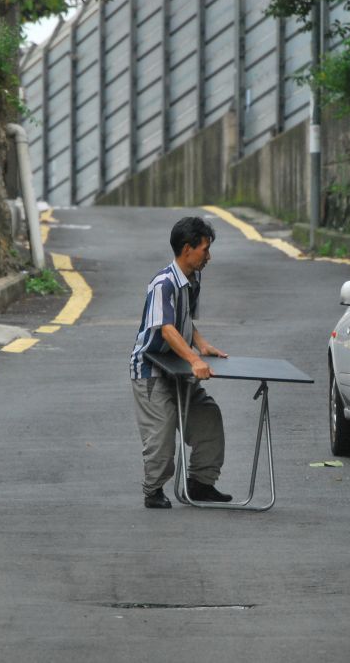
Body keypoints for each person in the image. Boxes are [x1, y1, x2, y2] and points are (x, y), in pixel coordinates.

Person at [129, 216, 231, 509]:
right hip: (150, 371)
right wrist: (194, 359)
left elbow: (184, 321)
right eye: (204, 249)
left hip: (178, 367)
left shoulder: (192, 280)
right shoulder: (163, 283)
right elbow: (166, 328)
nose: (208, 256)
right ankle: (153, 490)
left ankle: (200, 484)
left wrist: (202, 345)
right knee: (161, 434)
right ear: (187, 249)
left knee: (208, 417)